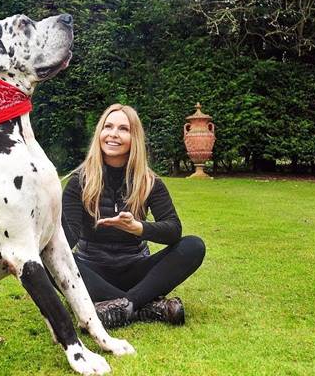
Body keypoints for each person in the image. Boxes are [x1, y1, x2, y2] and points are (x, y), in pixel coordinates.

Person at [61, 103, 206, 329]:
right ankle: (146, 307)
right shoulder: (79, 182)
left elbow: (173, 230)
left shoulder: (150, 182)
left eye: (123, 129)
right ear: (99, 132)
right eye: (107, 127)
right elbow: (67, 240)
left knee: (194, 246)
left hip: (136, 270)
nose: (113, 134)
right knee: (48, 257)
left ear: (134, 137)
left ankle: (122, 305)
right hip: (93, 272)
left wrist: (138, 228)